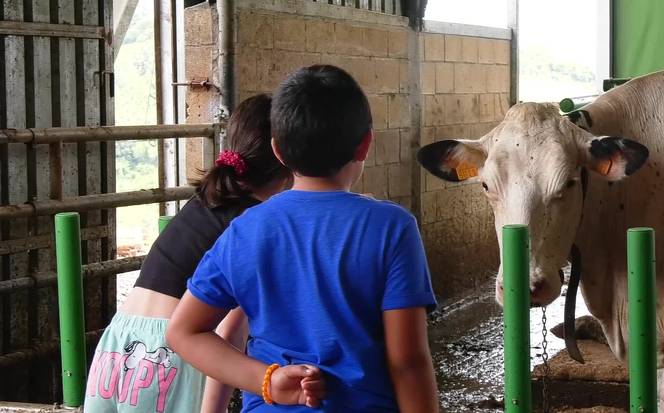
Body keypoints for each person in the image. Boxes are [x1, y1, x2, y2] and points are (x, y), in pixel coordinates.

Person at [166, 65, 440, 412]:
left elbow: (183, 332)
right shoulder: (392, 228)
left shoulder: (246, 230)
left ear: (277, 150)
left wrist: (267, 380)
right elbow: (408, 362)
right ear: (366, 144)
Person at [84, 94, 324, 413]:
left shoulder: (206, 200)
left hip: (115, 346)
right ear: (287, 156)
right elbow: (228, 333)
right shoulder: (253, 226)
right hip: (166, 358)